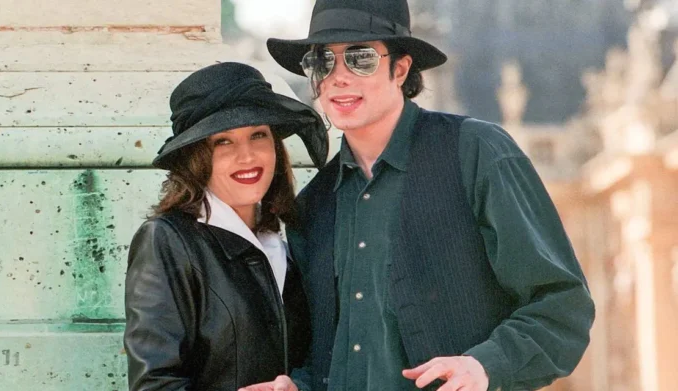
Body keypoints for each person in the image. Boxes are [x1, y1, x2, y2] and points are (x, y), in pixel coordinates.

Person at [244, 1, 596, 390]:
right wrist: (300, 385)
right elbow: (327, 351)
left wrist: (483, 367)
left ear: (401, 68)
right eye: (322, 62)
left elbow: (562, 305)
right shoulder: (314, 203)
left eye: (360, 59)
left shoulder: (475, 152)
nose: (338, 77)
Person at [123, 62, 329, 391]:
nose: (247, 156)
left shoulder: (290, 240)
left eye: (258, 135)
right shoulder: (166, 241)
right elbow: (154, 384)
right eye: (223, 142)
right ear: (195, 157)